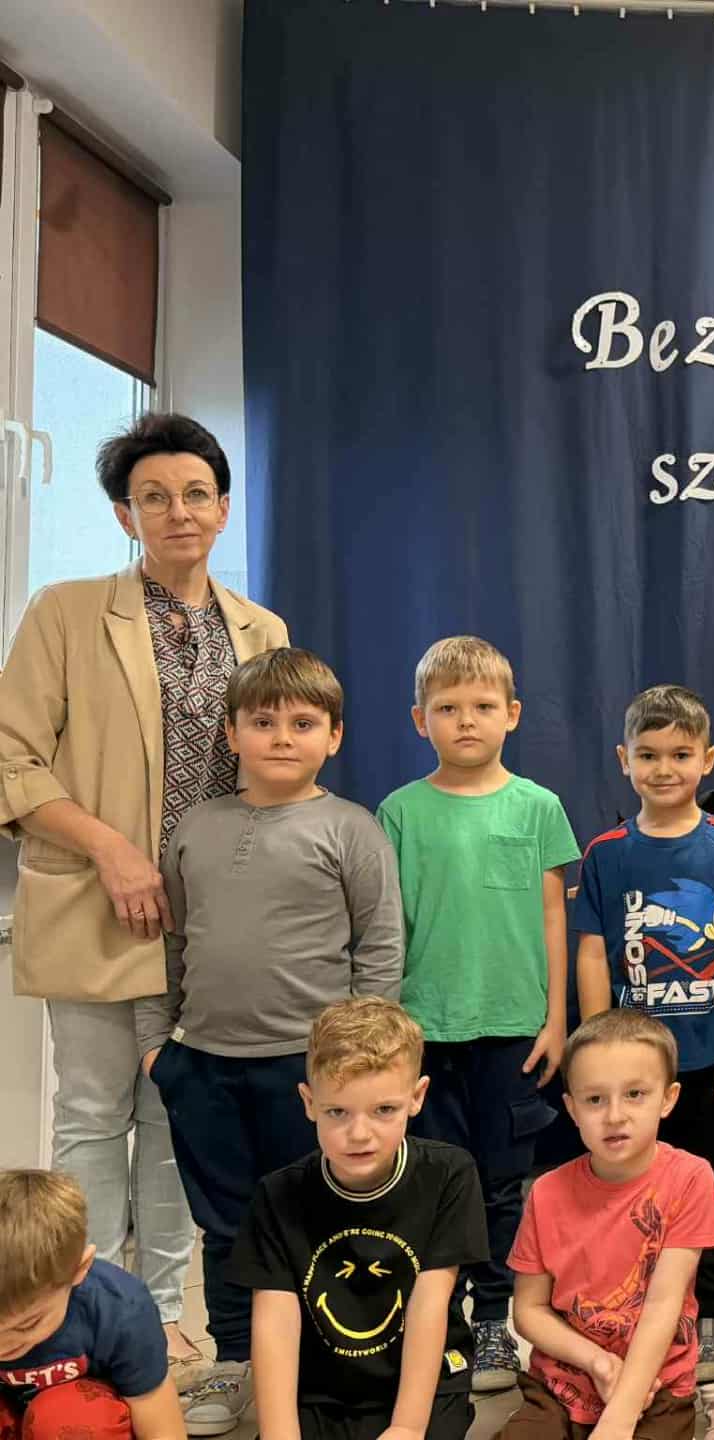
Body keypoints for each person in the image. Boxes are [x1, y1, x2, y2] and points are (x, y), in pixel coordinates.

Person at [0, 413, 287, 1382]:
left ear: (224, 507)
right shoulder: (66, 613)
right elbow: (11, 759)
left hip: (213, 928)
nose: (178, 512)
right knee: (90, 1113)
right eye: (154, 497)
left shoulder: (262, 631)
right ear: (126, 515)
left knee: (177, 1121)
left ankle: (159, 1318)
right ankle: (78, 1316)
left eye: (196, 494)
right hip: (94, 900)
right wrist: (113, 851)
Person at [132, 649, 404, 1434]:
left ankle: (326, 1362)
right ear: (231, 734)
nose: (282, 738)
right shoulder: (196, 827)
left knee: (318, 1219)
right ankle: (233, 1360)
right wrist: (158, 1046)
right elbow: (171, 942)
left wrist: (361, 1060)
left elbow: (380, 945)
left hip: (310, 1072)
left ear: (334, 736)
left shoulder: (351, 829)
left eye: (303, 723)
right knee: (226, 1226)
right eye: (262, 722)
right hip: (204, 1066)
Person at [375, 636, 581, 1392]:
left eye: (483, 706)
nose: (466, 720)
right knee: (434, 1180)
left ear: (512, 714)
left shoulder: (538, 807)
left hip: (514, 1029)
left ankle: (494, 1317)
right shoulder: (400, 811)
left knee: (501, 1182)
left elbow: (555, 918)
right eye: (448, 708)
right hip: (424, 1029)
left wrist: (556, 1020)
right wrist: (391, 1025)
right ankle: (442, 1323)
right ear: (419, 719)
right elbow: (387, 925)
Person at [574, 684, 714, 1396]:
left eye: (680, 755)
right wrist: (598, 1047)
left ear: (706, 760)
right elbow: (594, 952)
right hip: (633, 1072)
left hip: (711, 1059)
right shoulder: (607, 853)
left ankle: (707, 1315)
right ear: (624, 760)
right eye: (648, 755)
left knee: (706, 1188)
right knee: (630, 1186)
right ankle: (626, 1308)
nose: (664, 768)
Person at [226, 998, 489, 1440]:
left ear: (417, 1097)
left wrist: (406, 1427)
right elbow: (275, 1325)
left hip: (425, 1381)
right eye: (338, 1112)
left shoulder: (449, 1174)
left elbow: (430, 1304)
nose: (359, 1134)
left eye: (384, 1110)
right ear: (309, 1102)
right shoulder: (277, 1194)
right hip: (321, 1389)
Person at [502, 1010, 714, 1440]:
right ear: (571, 1108)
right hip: (562, 1383)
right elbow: (528, 1310)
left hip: (657, 1385)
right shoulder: (546, 1193)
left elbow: (663, 1305)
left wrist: (620, 1416)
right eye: (595, 1100)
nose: (615, 1115)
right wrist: (597, 1362)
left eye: (635, 1094)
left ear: (668, 1098)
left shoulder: (691, 1178)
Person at [0, 1169, 186, 1440]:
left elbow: (160, 1425)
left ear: (78, 1269)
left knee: (74, 1420)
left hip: (72, 1419)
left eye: (26, 1324)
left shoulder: (121, 1309)